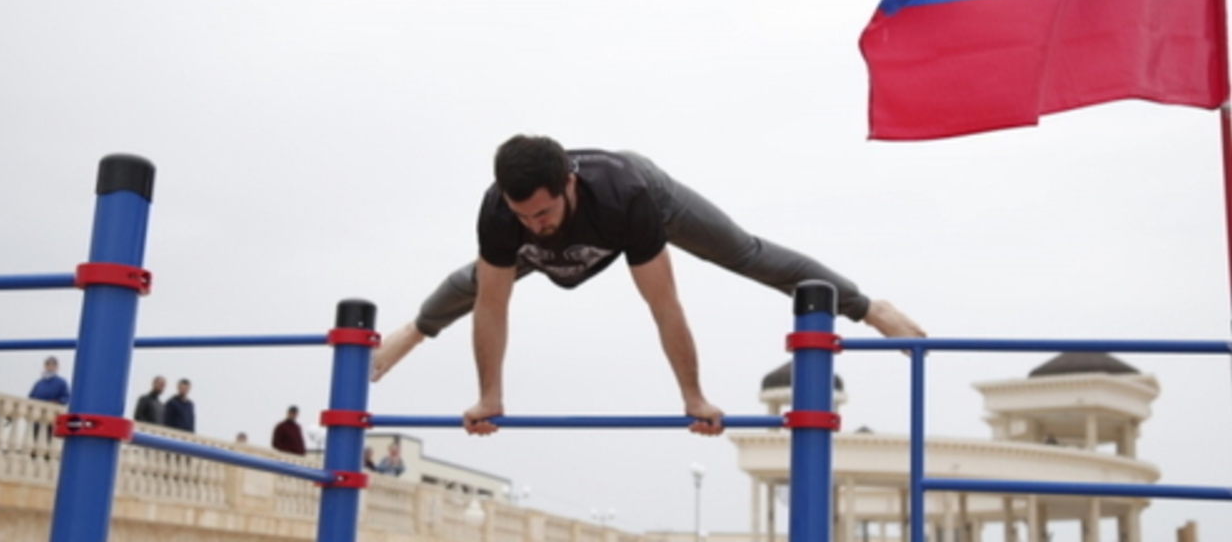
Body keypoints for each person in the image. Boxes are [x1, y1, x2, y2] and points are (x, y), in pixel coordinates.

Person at [371, 135, 927, 436]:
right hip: (565, 247)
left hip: (647, 201)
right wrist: (489, 395)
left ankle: (869, 308)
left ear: (567, 184)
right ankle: (413, 332)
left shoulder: (625, 196)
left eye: (541, 211)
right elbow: (492, 305)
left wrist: (693, 397)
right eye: (523, 215)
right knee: (474, 279)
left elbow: (663, 304)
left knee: (742, 252)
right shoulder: (503, 213)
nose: (533, 223)